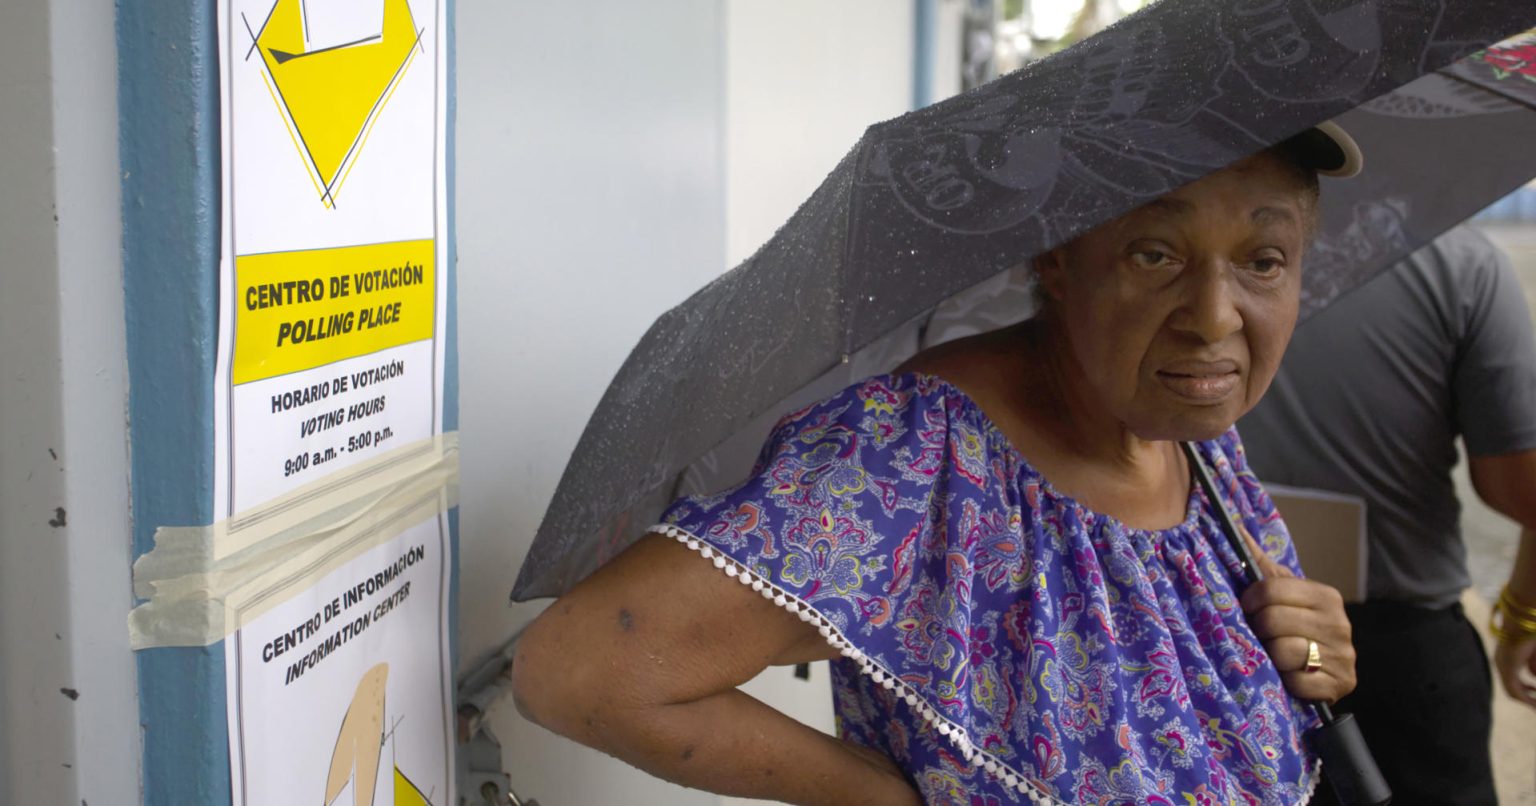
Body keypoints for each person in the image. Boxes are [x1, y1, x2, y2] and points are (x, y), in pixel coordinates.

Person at [512, 132, 1359, 805]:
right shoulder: (917, 454)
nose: (1214, 319)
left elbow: (1271, 671)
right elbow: (583, 674)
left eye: (1262, 261)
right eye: (1154, 254)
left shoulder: (1192, 433)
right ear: (1056, 258)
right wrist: (872, 798)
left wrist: (1316, 651)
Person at [1238, 223, 1536, 805]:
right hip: (1404, 656)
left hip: (1224, 636)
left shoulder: (1181, 267)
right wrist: (1522, 616)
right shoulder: (1460, 261)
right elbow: (1522, 491)